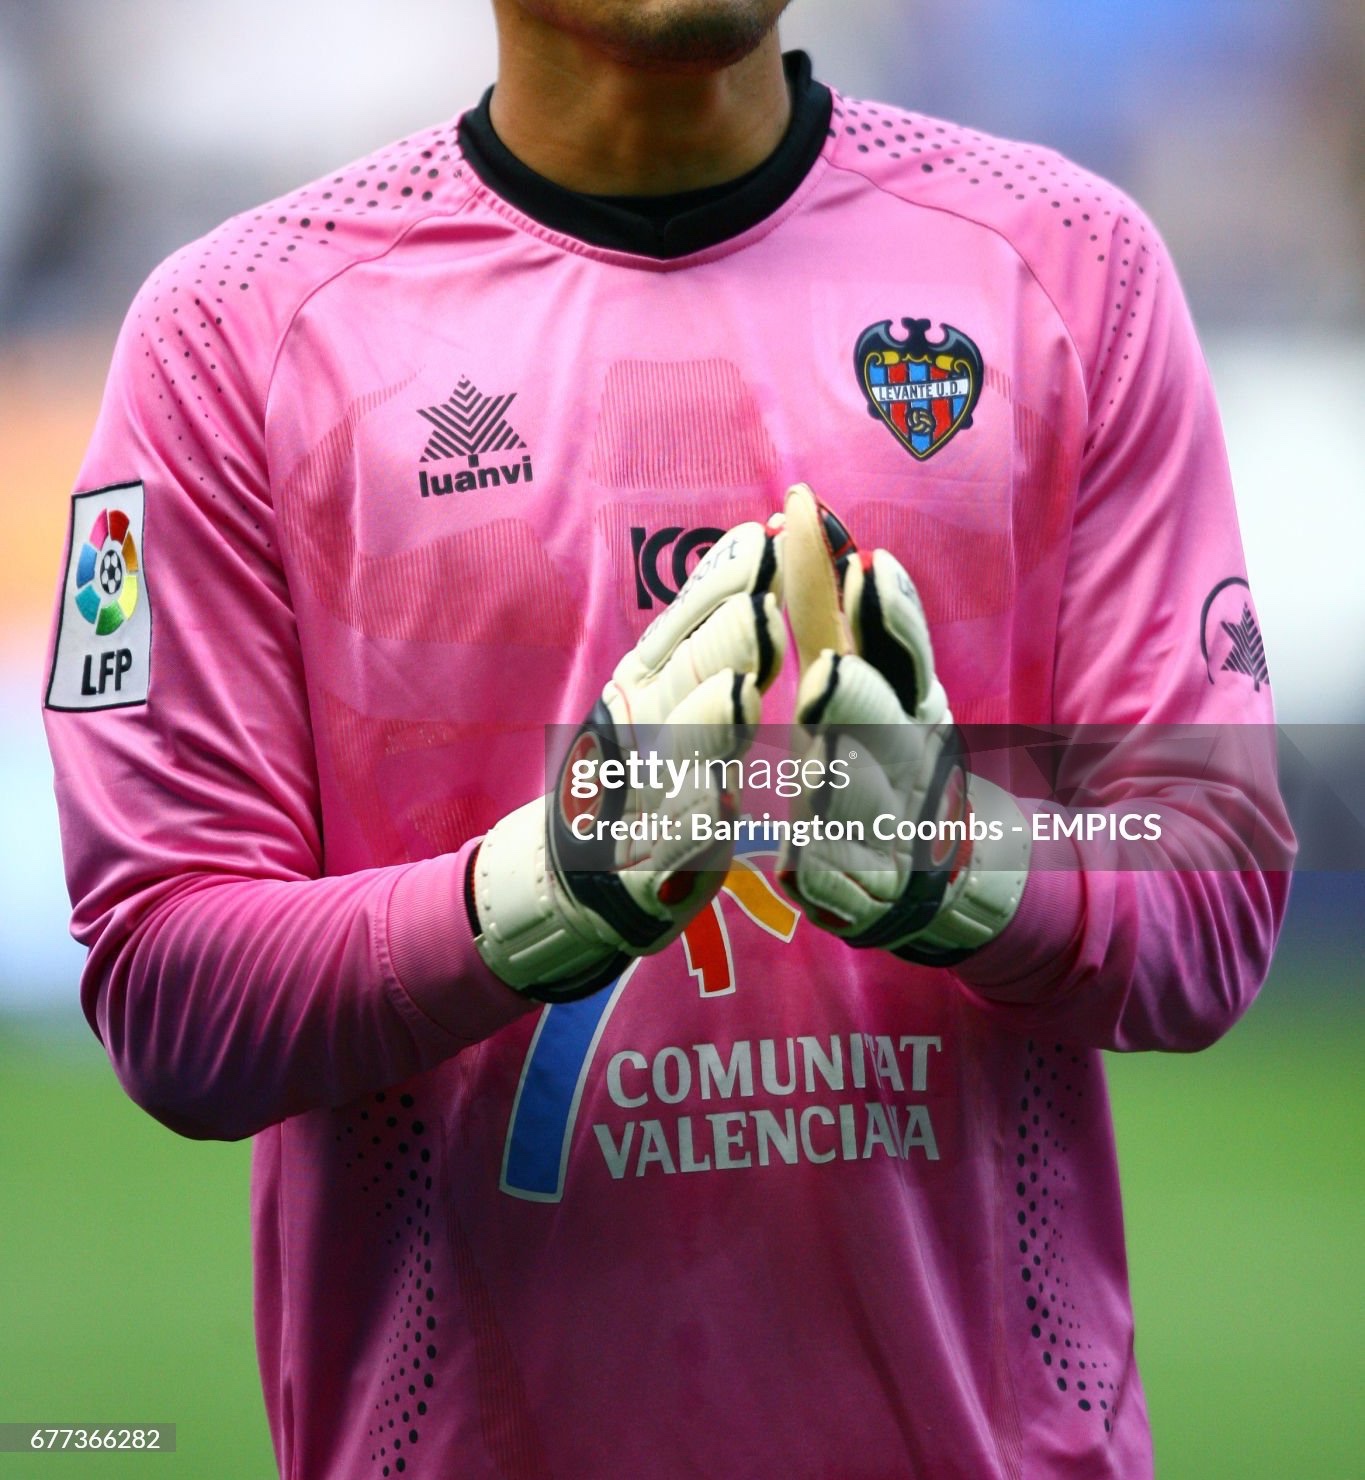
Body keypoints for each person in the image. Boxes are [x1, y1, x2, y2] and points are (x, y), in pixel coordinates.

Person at [43, 2, 1294, 1476]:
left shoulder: (1065, 267)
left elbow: (1206, 878)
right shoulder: (235, 330)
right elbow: (170, 986)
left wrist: (966, 852)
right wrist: (535, 898)